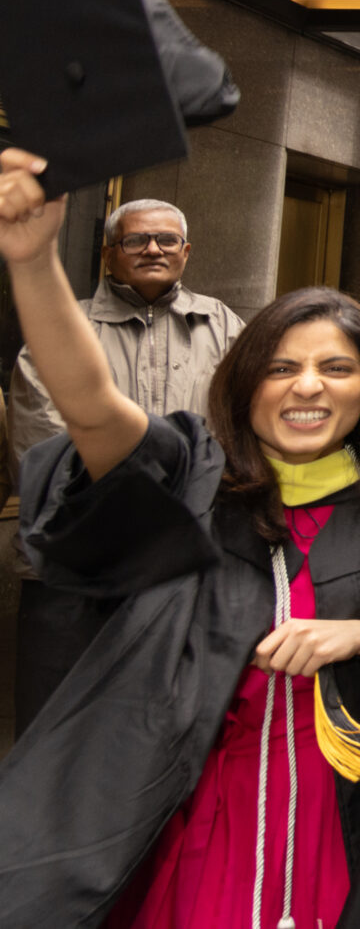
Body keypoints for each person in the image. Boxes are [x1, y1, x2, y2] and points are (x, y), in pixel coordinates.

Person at [0, 145, 360, 927]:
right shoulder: (195, 482)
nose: (307, 386)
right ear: (244, 389)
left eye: (335, 369)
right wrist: (34, 263)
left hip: (346, 819)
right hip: (204, 807)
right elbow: (95, 410)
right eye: (278, 368)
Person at [9, 193, 244, 728]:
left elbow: (244, 431)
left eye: (166, 239)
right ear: (109, 254)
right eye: (135, 239)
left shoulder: (225, 327)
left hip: (190, 559)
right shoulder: (66, 328)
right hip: (78, 564)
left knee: (165, 725)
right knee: (57, 723)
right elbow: (42, 449)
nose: (152, 249)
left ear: (186, 251)